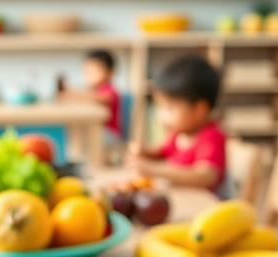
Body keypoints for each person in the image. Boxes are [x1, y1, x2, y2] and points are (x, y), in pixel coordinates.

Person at [126, 56, 226, 193]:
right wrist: (144, 153)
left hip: (205, 208)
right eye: (160, 108)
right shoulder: (179, 134)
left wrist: (153, 169)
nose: (161, 116)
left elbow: (205, 177)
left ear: (200, 109)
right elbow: (162, 153)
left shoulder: (211, 137)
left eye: (169, 108)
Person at [59, 49, 122, 141]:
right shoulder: (94, 89)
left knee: (80, 135)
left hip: (109, 133)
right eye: (87, 72)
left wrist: (75, 94)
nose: (90, 76)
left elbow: (104, 98)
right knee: (74, 130)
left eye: (94, 72)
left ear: (110, 72)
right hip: (98, 130)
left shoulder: (110, 89)